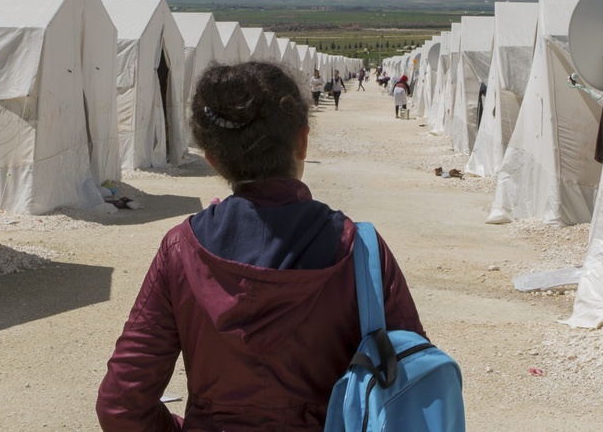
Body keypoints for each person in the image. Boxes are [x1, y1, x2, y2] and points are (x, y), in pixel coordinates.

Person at [97, 61, 424, 431]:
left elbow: (121, 403)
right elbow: (415, 383)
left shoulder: (181, 249)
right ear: (302, 141)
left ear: (213, 160)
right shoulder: (360, 250)